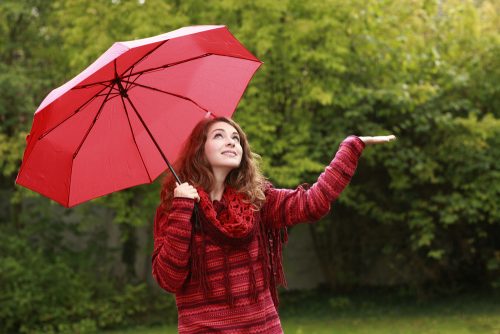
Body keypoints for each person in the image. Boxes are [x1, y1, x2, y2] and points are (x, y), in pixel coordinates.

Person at [151, 116, 395, 333]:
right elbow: (169, 279)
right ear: (199, 151)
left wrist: (350, 148)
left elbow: (312, 203)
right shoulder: (176, 208)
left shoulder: (258, 201)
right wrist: (182, 208)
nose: (231, 142)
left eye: (236, 138)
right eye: (219, 136)